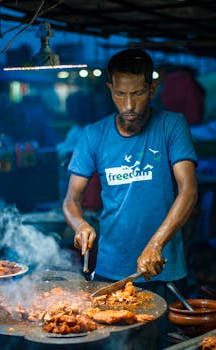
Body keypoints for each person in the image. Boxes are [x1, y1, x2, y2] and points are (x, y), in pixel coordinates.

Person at [62, 48, 198, 306]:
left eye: (136, 93)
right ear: (110, 88)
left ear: (151, 89)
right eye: (120, 94)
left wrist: (156, 244)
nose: (129, 105)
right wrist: (80, 225)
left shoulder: (171, 125)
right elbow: (71, 199)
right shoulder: (94, 135)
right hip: (110, 272)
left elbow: (188, 190)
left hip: (163, 271)